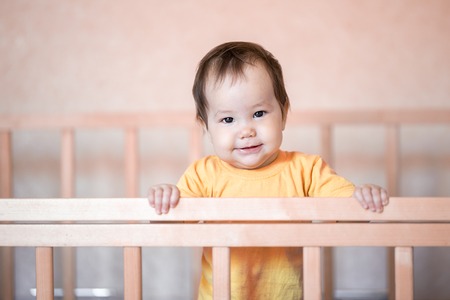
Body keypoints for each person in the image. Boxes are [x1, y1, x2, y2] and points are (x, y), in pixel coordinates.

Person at [148, 41, 389, 299]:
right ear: (206, 125)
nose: (246, 130)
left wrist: (364, 197)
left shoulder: (306, 170)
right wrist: (167, 198)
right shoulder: (203, 175)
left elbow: (351, 211)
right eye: (228, 119)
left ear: (283, 114)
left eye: (259, 113)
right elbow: (171, 223)